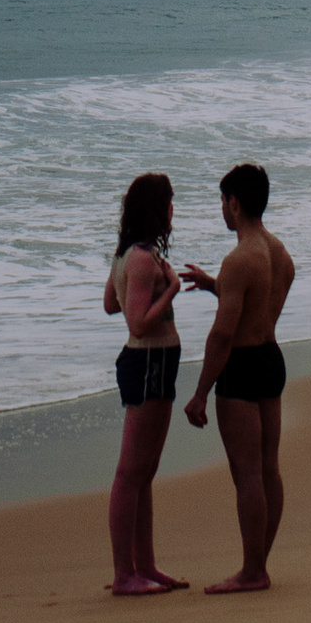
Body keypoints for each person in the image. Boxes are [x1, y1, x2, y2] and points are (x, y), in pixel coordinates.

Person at [180, 161, 294, 594]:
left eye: (223, 202)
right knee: (268, 469)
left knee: (246, 474)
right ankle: (258, 563)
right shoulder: (280, 254)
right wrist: (215, 286)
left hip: (242, 369)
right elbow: (257, 305)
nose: (222, 211)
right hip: (270, 359)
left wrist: (199, 393)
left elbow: (223, 334)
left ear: (235, 203)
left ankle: (252, 571)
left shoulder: (238, 259)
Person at [102, 170, 190, 597]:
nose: (173, 212)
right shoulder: (140, 258)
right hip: (148, 359)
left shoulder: (129, 254)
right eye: (170, 204)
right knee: (130, 471)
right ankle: (125, 574)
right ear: (157, 210)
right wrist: (170, 288)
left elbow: (108, 303)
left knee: (145, 471)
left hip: (154, 361)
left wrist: (151, 282)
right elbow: (136, 323)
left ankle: (145, 565)